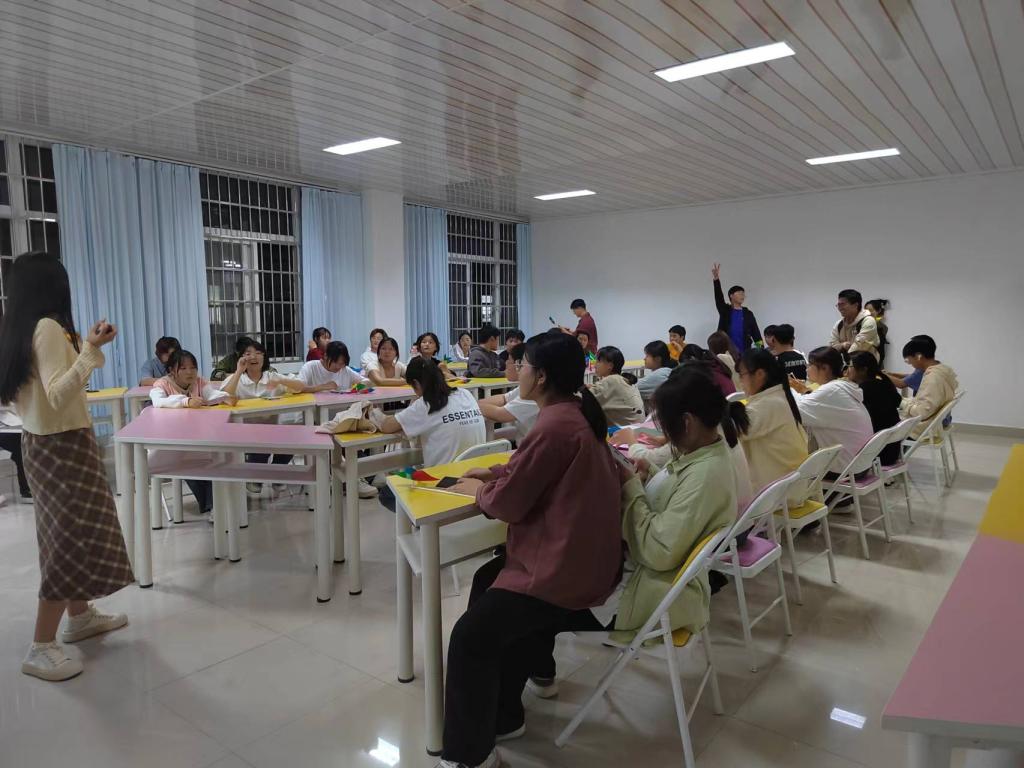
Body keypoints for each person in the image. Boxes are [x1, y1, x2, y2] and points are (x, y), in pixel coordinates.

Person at [436, 332, 621, 767]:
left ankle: (470, 755)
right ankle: (504, 714)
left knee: (469, 639)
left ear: (540, 377)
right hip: (587, 558)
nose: (516, 370)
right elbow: (534, 468)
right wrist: (496, 471)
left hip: (562, 571)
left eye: (522, 365)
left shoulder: (555, 425)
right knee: (486, 579)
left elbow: (509, 504)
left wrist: (479, 491)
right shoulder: (572, 413)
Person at [0, 252, 133, 682]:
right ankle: (41, 645)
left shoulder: (19, 330)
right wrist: (90, 350)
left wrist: (85, 349)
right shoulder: (48, 328)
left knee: (72, 532)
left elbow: (42, 395)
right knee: (66, 540)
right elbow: (59, 394)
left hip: (43, 444)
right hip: (62, 445)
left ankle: (79, 615)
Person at [607, 365, 740, 644]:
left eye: (666, 426)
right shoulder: (705, 453)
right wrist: (653, 473)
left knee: (545, 600)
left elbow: (659, 550)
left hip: (649, 592)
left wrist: (632, 488)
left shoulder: (705, 474)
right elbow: (677, 493)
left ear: (687, 423)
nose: (666, 434)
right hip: (657, 577)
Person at [375, 357, 488, 513]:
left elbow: (387, 426)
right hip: (477, 477)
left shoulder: (426, 404)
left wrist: (374, 413)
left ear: (416, 384)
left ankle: (421, 520)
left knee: (387, 493)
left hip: (445, 483)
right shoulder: (465, 394)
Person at [149, 349, 235, 516]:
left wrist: (224, 397)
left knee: (216, 458)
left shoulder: (199, 382)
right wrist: (186, 401)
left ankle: (213, 507)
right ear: (172, 370)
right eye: (183, 368)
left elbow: (210, 395)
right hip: (172, 442)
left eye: (193, 367)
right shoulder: (162, 384)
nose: (190, 372)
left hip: (198, 438)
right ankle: (211, 506)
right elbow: (158, 402)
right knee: (190, 463)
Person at [219, 340, 309, 495]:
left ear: (264, 357)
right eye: (248, 353)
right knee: (260, 439)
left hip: (272, 432)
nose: (253, 357)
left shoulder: (271, 376)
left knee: (295, 437)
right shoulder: (237, 378)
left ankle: (277, 473)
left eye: (258, 353)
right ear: (241, 358)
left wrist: (281, 380)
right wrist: (239, 371)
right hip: (243, 435)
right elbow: (225, 396)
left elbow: (300, 386)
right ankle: (256, 476)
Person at [735, 349, 810, 503]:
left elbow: (733, 431)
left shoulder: (768, 404)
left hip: (780, 494)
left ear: (760, 374)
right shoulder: (779, 396)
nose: (740, 382)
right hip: (792, 484)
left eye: (742, 375)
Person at [789, 347, 874, 471]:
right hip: (860, 464)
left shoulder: (831, 390)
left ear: (825, 368)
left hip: (846, 469)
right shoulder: (841, 387)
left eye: (810, 365)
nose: (807, 369)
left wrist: (789, 389)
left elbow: (796, 411)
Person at [847, 352, 902, 466]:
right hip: (892, 449)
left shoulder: (863, 391)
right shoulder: (883, 382)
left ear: (863, 370)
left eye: (850, 366)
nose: (847, 370)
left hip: (877, 454)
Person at [899, 336, 959, 439]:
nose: (910, 364)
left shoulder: (932, 378)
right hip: (939, 420)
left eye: (909, 360)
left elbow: (922, 412)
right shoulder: (944, 370)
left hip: (927, 427)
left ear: (918, 356)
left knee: (886, 425)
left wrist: (903, 404)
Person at [478, 344, 539, 442]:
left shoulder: (535, 392)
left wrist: (472, 406)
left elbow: (500, 414)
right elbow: (504, 398)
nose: (506, 362)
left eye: (509, 360)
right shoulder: (526, 387)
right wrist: (476, 403)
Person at [588, 345, 645, 427]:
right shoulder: (622, 380)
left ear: (610, 366)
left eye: (598, 361)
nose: (595, 365)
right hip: (639, 428)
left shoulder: (611, 380)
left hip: (626, 431)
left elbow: (584, 397)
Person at [711, 263, 762, 350]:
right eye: (739, 293)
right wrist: (716, 280)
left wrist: (760, 351)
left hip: (745, 352)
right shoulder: (725, 311)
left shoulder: (748, 313)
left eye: (743, 294)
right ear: (731, 295)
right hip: (727, 352)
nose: (742, 295)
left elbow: (756, 333)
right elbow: (719, 298)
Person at [297, 341, 369, 392]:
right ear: (325, 356)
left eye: (342, 363)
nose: (338, 367)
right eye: (335, 362)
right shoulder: (310, 367)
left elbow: (367, 382)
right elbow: (297, 388)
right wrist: (322, 387)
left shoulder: (345, 370)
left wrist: (357, 388)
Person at [830, 289, 880, 361]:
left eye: (842, 304)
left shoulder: (868, 321)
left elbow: (858, 348)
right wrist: (843, 345)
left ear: (856, 305)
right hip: (847, 364)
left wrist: (840, 348)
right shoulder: (839, 324)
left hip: (865, 365)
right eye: (838, 305)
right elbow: (832, 347)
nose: (840, 308)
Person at [0, 407, 31, 502]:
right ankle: (25, 489)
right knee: (20, 448)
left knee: (21, 447)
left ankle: (26, 489)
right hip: (7, 427)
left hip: (12, 424)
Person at [865, 299, 889, 367]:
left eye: (870, 310)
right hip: (863, 360)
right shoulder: (860, 325)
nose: (868, 313)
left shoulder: (883, 327)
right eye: (866, 310)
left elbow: (880, 348)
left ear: (878, 311)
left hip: (877, 362)